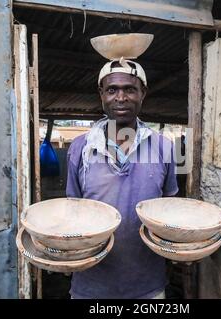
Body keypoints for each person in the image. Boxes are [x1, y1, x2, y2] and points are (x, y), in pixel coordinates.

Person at [66, 58, 179, 299]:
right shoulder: (80, 148)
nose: (121, 97)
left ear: (143, 93)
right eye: (112, 90)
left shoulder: (163, 147)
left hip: (147, 285)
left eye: (130, 89)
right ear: (101, 94)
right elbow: (72, 211)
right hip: (91, 284)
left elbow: (169, 209)